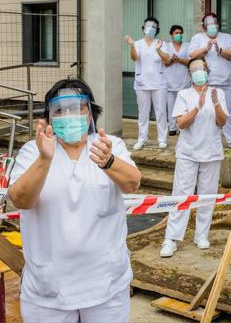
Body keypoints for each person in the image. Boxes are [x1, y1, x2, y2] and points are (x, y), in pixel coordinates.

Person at [8, 78, 141, 321]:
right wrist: (44, 160)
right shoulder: (32, 152)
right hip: (49, 291)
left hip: (106, 286)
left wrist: (109, 161)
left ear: (89, 113)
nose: (69, 114)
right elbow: (20, 199)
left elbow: (132, 183)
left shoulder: (108, 146)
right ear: (49, 118)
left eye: (76, 107)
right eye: (60, 110)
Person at [160, 58, 228, 257]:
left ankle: (202, 235)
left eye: (202, 68)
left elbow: (222, 121)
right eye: (194, 70)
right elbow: (181, 123)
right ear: (190, 74)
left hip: (211, 151)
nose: (199, 72)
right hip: (188, 152)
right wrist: (197, 107)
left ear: (208, 70)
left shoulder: (219, 93)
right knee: (181, 194)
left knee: (207, 195)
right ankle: (171, 238)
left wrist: (215, 104)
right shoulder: (184, 95)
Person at [188, 13, 231, 148]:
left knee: (228, 110)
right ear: (203, 27)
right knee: (205, 110)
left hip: (225, 82)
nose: (212, 27)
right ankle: (205, 138)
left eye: (214, 24)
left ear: (218, 25)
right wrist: (205, 49)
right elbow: (191, 55)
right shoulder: (197, 38)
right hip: (205, 82)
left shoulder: (227, 38)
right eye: (208, 25)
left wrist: (220, 50)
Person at [125, 17, 170, 150]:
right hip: (142, 83)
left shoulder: (161, 43)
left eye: (154, 26)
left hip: (159, 83)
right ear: (143, 27)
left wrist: (158, 49)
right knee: (143, 113)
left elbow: (167, 59)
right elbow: (134, 58)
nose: (151, 28)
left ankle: (162, 139)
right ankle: (142, 139)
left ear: (157, 30)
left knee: (161, 112)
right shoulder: (138, 43)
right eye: (148, 26)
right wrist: (132, 45)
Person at [164, 24, 191, 136]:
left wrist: (179, 59)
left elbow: (190, 62)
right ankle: (172, 127)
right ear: (171, 34)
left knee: (183, 106)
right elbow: (165, 63)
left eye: (180, 33)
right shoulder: (166, 46)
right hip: (170, 81)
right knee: (171, 106)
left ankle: (181, 126)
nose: (179, 35)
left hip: (184, 81)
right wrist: (171, 60)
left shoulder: (187, 46)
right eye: (176, 33)